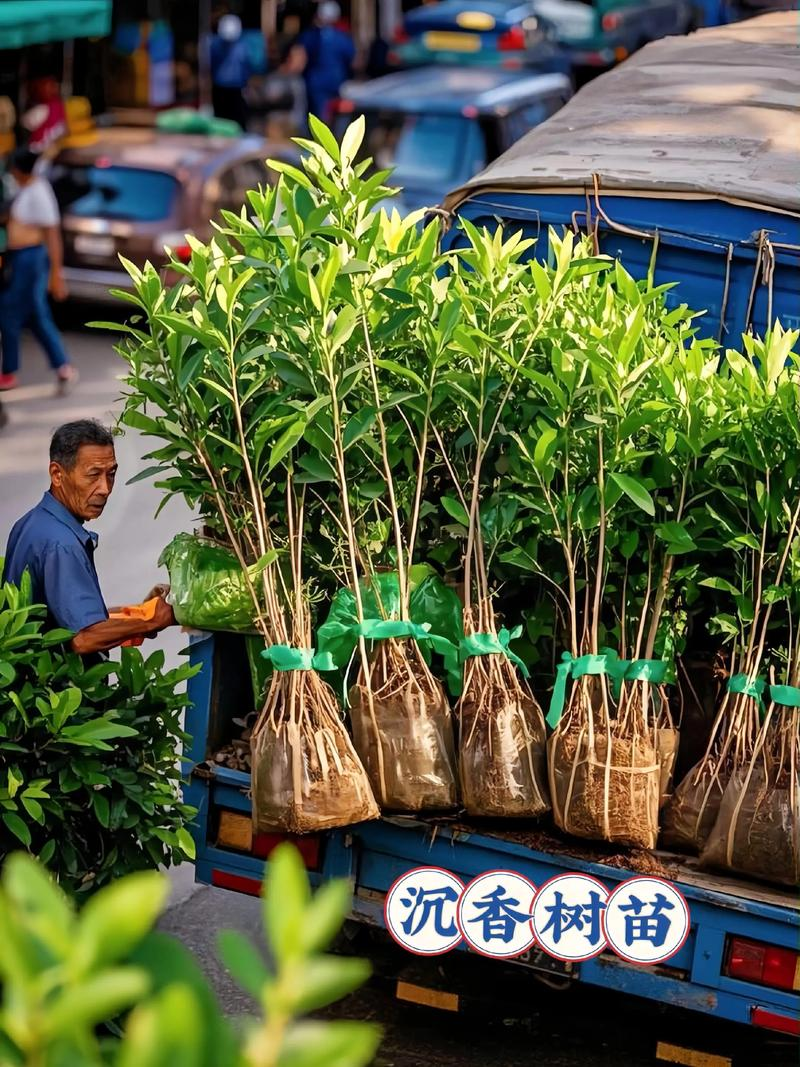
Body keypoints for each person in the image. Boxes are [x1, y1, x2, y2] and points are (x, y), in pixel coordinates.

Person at [2, 419, 176, 655]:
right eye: (93, 475)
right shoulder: (61, 544)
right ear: (57, 474)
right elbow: (83, 638)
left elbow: (67, 617)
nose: (104, 488)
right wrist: (152, 621)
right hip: (58, 688)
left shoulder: (32, 522)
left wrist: (141, 612)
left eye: (111, 474)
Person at [0, 148, 77, 394]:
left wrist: (56, 273)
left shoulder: (40, 192)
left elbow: (52, 234)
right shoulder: (23, 189)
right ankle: (62, 366)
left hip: (31, 258)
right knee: (35, 315)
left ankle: (9, 371)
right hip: (19, 256)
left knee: (9, 312)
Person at [285, 1, 355, 123]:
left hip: (317, 83)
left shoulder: (310, 36)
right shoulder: (342, 38)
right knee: (334, 116)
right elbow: (351, 58)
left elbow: (298, 58)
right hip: (335, 81)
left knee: (319, 118)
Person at [209, 13, 253, 128]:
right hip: (220, 88)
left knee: (237, 121)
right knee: (221, 121)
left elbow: (246, 67)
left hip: (236, 89)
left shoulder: (242, 46)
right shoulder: (215, 44)